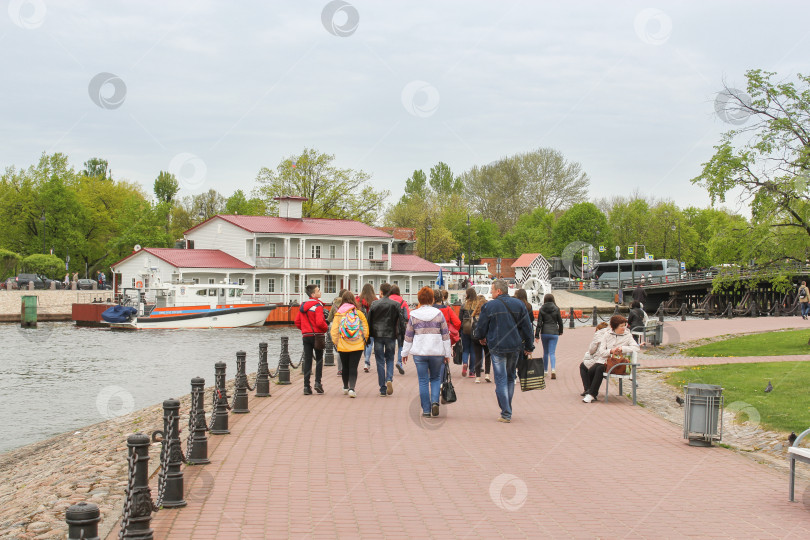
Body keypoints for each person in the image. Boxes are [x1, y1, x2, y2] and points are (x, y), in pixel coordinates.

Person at [472, 279, 534, 423]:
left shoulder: (489, 306)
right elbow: (527, 328)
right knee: (510, 377)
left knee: (500, 379)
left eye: (492, 290)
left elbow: (481, 326)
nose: (491, 293)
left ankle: (506, 412)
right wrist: (529, 347)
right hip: (515, 346)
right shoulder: (519, 304)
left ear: (498, 291)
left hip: (497, 347)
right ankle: (507, 408)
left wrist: (480, 337)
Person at [400, 286, 452, 418]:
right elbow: (445, 335)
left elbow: (408, 336)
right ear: (432, 299)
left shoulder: (413, 315)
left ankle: (426, 410)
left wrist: (404, 353)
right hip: (437, 351)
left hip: (420, 352)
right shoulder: (439, 314)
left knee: (423, 380)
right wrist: (447, 353)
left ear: (419, 299)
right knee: (435, 378)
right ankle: (435, 402)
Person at [581, 315, 639, 403]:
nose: (624, 328)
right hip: (605, 360)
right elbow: (602, 352)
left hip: (619, 363)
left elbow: (636, 348)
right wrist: (611, 351)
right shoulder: (607, 335)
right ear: (614, 327)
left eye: (625, 325)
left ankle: (592, 394)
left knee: (599, 369)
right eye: (621, 326)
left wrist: (622, 349)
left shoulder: (628, 335)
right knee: (591, 370)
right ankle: (590, 392)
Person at [330, 290, 369, 398]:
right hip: (357, 344)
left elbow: (334, 331)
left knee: (345, 367)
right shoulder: (359, 313)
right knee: (353, 367)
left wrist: (337, 342)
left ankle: (345, 387)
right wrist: (364, 340)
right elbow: (365, 328)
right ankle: (352, 388)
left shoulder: (338, 314)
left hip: (343, 345)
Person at [367, 283, 404, 396]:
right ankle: (389, 379)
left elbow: (369, 321)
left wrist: (368, 337)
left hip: (377, 335)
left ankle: (382, 388)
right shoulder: (396, 305)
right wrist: (401, 336)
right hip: (391, 335)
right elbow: (401, 322)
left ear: (381, 292)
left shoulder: (374, 304)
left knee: (379, 361)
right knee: (390, 358)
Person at [293, 284, 328, 395]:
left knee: (307, 360)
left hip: (306, 336)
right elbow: (319, 322)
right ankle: (318, 383)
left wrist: (304, 329)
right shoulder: (318, 306)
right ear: (313, 294)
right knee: (318, 359)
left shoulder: (303, 307)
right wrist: (325, 328)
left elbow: (297, 322)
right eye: (318, 290)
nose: (320, 292)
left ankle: (306, 387)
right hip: (317, 335)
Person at [535, 293, 563, 379]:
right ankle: (553, 370)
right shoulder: (556, 308)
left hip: (544, 332)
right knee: (552, 352)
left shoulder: (542, 309)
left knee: (545, 352)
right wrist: (560, 331)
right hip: (554, 332)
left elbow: (539, 323)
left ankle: (545, 371)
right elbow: (560, 321)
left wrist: (537, 335)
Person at [579, 321, 609, 395]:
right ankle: (590, 390)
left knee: (583, 366)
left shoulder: (598, 334)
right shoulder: (610, 333)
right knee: (591, 367)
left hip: (601, 360)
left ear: (598, 329)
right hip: (608, 359)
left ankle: (587, 389)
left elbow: (591, 350)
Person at [388, 284, 410, 374]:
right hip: (400, 327)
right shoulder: (403, 302)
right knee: (401, 345)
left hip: (389, 326)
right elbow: (407, 316)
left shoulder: (387, 300)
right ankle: (399, 362)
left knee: (391, 345)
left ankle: (390, 364)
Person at [470, 295, 491, 382]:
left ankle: (477, 377)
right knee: (487, 356)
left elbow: (472, 327)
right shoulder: (488, 315)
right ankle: (487, 375)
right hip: (486, 337)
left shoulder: (473, 316)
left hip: (476, 338)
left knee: (478, 356)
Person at [327, 289, 348, 376]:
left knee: (339, 350)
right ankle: (347, 368)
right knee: (347, 348)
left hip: (336, 328)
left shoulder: (335, 304)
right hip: (346, 328)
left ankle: (340, 370)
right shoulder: (348, 305)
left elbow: (330, 318)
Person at [358, 284, 378, 372]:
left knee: (364, 344)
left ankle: (366, 360)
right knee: (370, 344)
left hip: (361, 325)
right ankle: (367, 362)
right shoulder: (375, 300)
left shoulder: (359, 300)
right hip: (372, 324)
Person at [459, 287, 477, 377]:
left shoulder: (463, 305)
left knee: (465, 349)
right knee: (473, 351)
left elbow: (460, 319)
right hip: (474, 329)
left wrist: (459, 331)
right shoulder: (477, 305)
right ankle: (472, 371)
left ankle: (465, 363)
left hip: (465, 329)